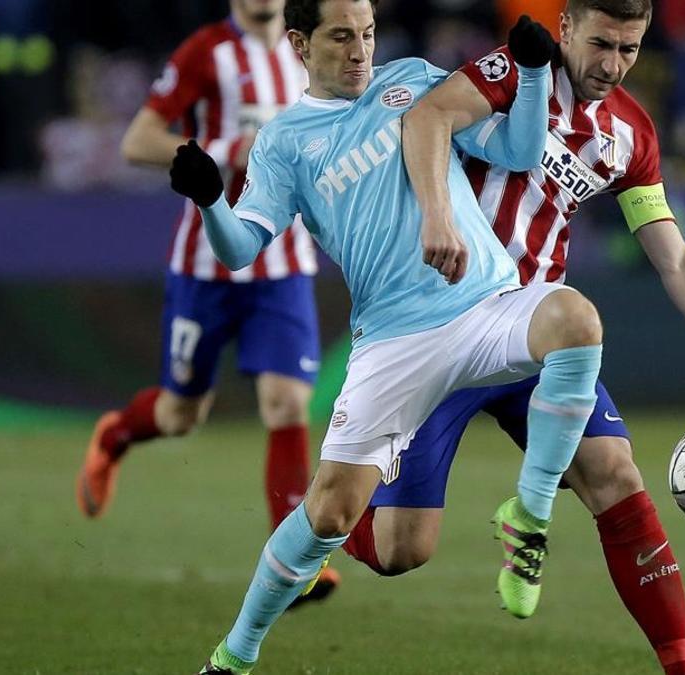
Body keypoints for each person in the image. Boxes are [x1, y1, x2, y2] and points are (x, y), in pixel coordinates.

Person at [340, 1, 685, 673]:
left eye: (631, 50)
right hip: (438, 326)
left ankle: (682, 666)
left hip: (531, 333)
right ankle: (331, 501)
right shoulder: (511, 74)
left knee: (614, 472)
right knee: (402, 549)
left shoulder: (630, 134)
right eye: (602, 44)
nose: (613, 65)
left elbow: (673, 257)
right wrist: (437, 214)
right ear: (566, 31)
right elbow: (429, 115)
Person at [173, 3, 587, 673]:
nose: (360, 50)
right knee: (336, 516)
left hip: (485, 304)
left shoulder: (415, 80)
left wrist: (535, 72)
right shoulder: (285, 142)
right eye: (342, 36)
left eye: (366, 33)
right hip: (394, 343)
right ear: (301, 43)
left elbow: (515, 149)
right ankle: (234, 655)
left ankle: (529, 515)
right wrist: (211, 202)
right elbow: (241, 249)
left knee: (576, 320)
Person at [72, 0, 340, 602]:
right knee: (180, 414)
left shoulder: (314, 49)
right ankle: (116, 434)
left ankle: (294, 565)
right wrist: (220, 155)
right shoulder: (206, 52)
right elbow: (137, 141)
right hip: (208, 263)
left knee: (286, 400)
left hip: (283, 261)